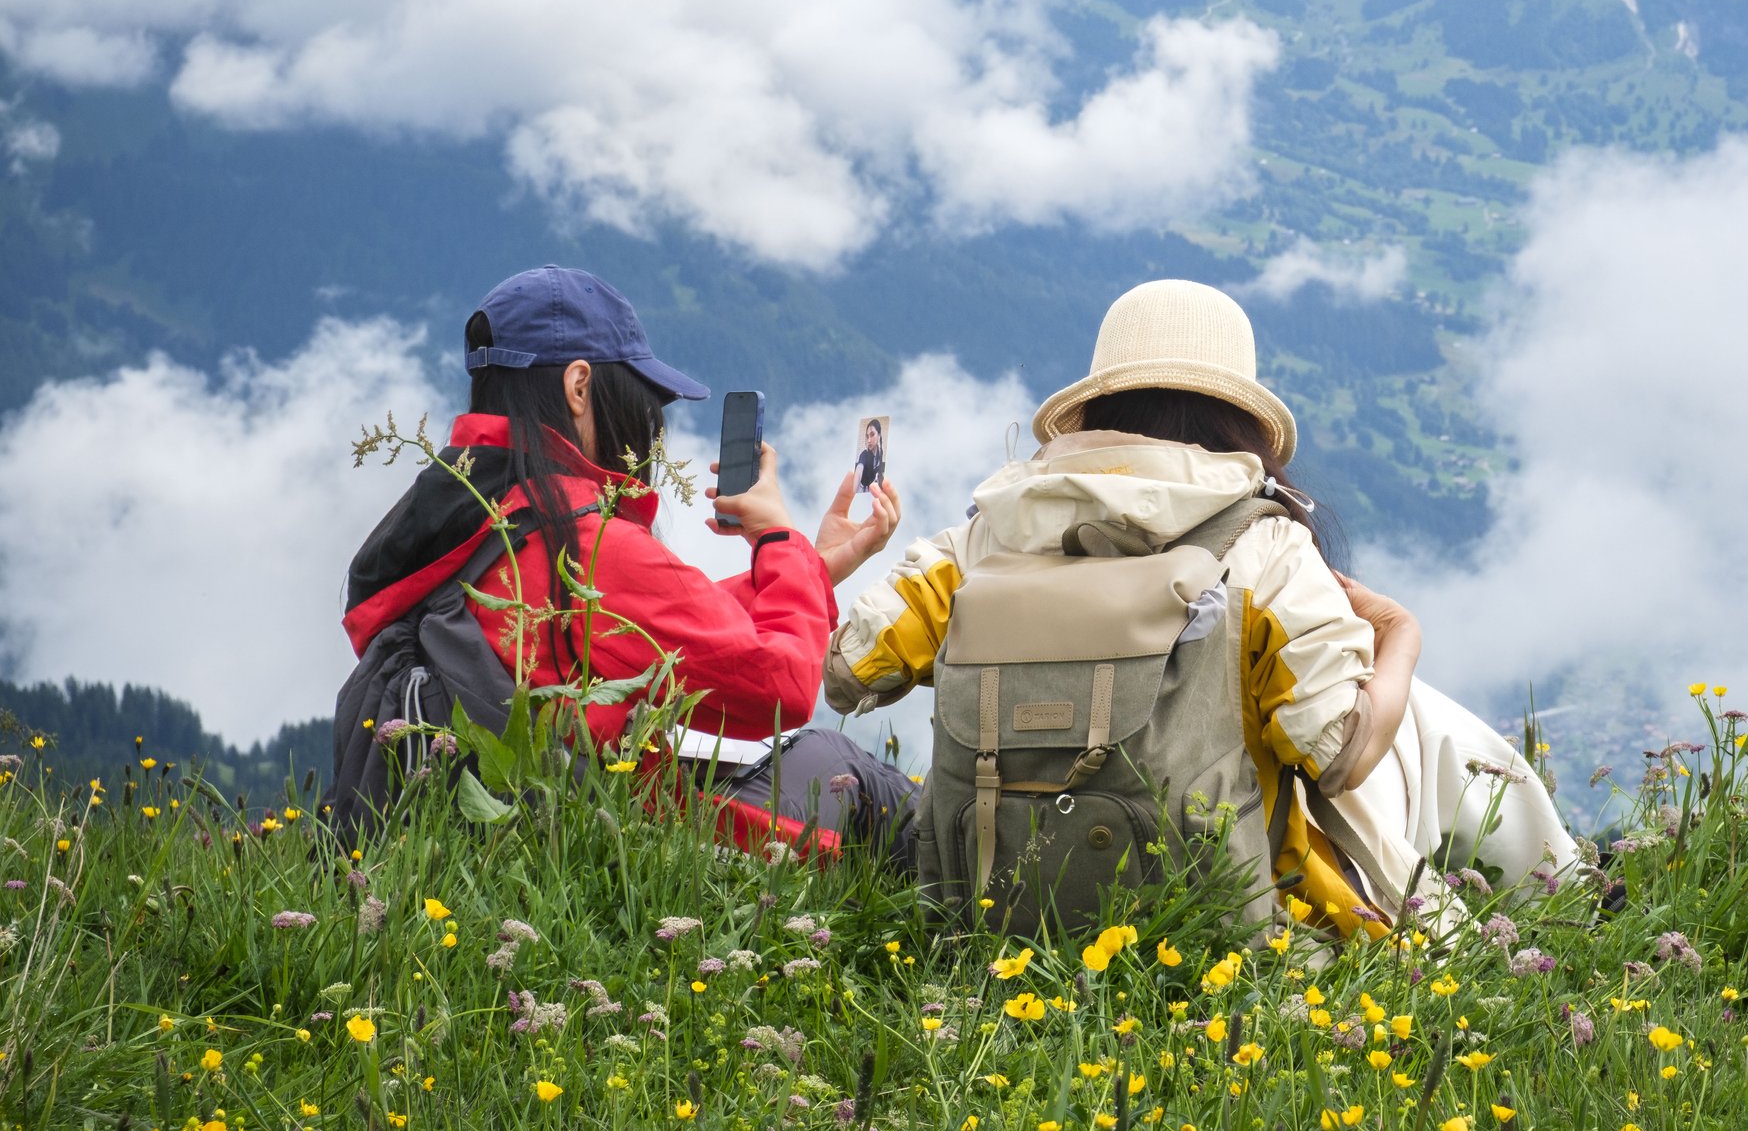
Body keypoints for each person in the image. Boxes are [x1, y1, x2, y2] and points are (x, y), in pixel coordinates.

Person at [824, 278, 1573, 934]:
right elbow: (1339, 751)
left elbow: (848, 668)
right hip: (1219, 921)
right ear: (1237, 418)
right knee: (1411, 716)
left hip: (985, 915)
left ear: (1099, 403)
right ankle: (1569, 885)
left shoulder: (984, 537)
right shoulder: (1264, 543)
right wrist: (1401, 638)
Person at [324, 265, 917, 859]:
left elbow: (654, 632)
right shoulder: (582, 539)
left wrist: (809, 568)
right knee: (845, 767)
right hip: (626, 840)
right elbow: (778, 688)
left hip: (502, 831)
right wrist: (777, 536)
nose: (646, 428)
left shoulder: (469, 514)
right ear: (580, 386)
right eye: (640, 400)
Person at [855, 417, 887, 493]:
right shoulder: (864, 455)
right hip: (863, 490)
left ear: (879, 435)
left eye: (872, 435)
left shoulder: (880, 451)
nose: (869, 440)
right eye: (867, 436)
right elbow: (859, 470)